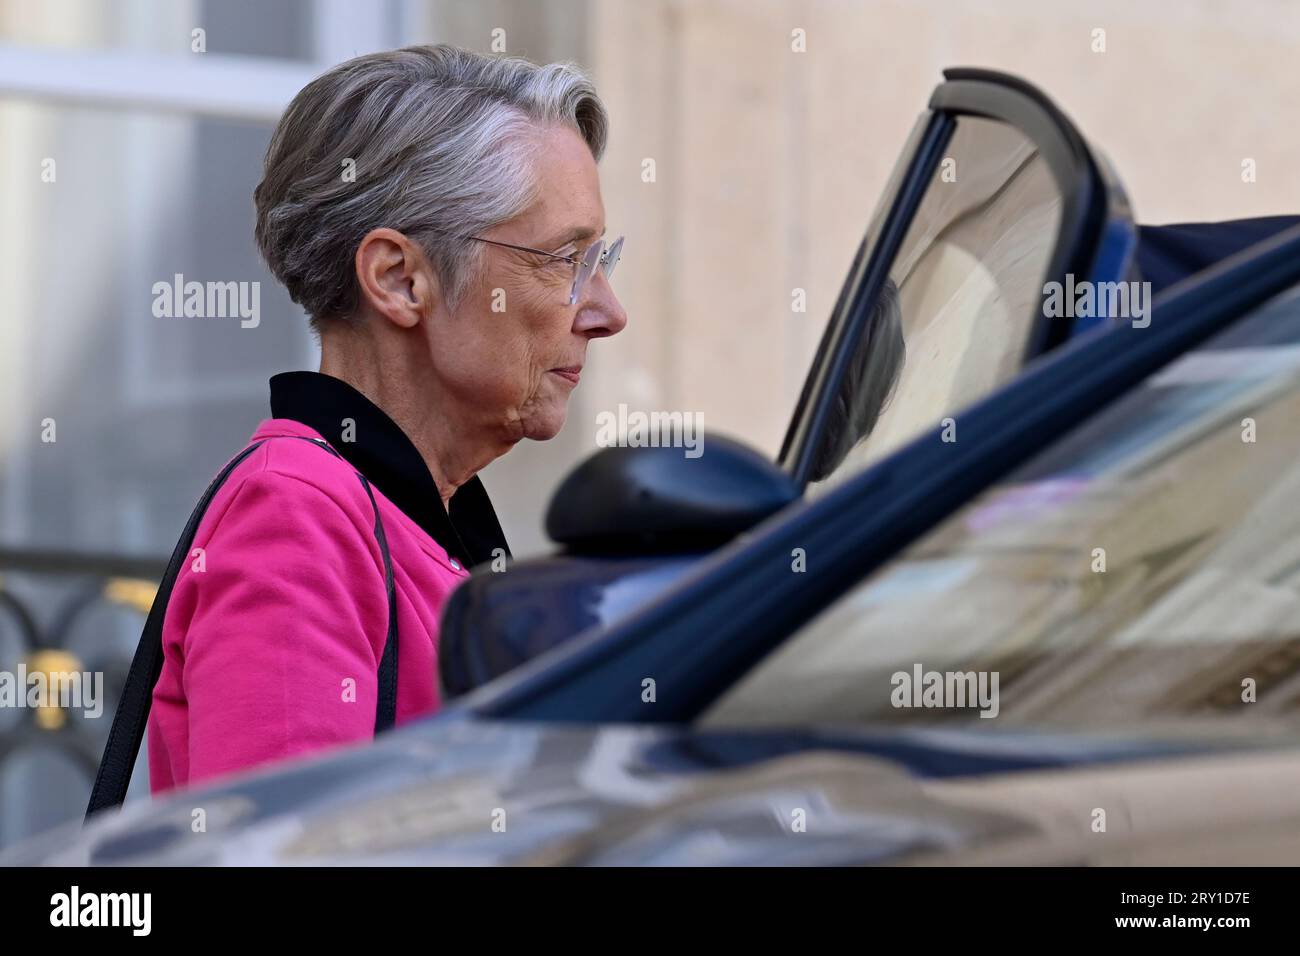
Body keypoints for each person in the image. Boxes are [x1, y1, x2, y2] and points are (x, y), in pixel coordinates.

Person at [148, 44, 629, 793]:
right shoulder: (297, 515)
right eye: (564, 262)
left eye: (604, 260)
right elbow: (287, 852)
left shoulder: (414, 511)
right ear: (400, 279)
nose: (606, 312)